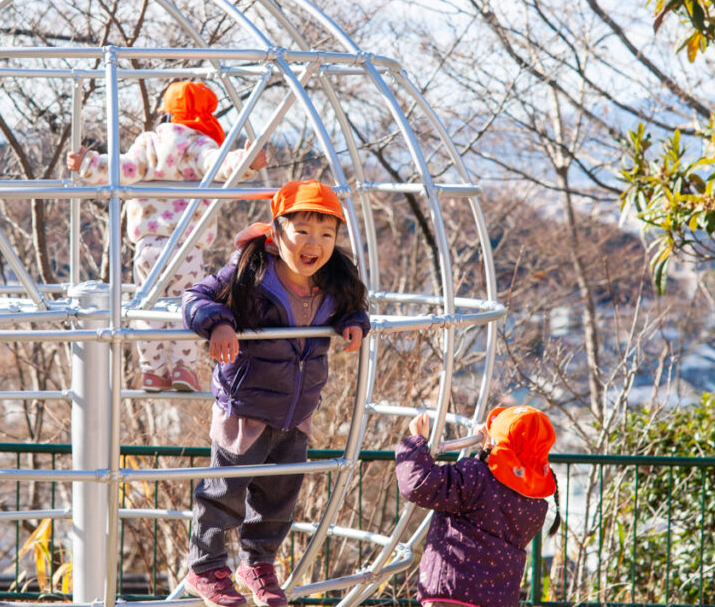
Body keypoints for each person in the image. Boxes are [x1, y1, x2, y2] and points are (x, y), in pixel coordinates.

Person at [181, 179, 369, 607]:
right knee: (223, 493)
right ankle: (205, 567)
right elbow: (196, 297)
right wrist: (219, 323)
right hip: (245, 407)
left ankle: (258, 563)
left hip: (296, 411)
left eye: (326, 234)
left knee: (279, 497)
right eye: (302, 230)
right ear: (277, 231)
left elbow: (355, 305)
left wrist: (354, 322)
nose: (314, 243)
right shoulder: (252, 274)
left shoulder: (334, 280)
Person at [67, 80, 266, 392]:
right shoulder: (198, 144)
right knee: (186, 307)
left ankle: (152, 371)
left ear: (167, 114)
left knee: (148, 310)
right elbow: (218, 166)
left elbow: (123, 168)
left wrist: (88, 164)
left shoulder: (149, 143)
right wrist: (246, 161)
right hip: (187, 247)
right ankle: (183, 369)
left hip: (147, 245)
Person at [394, 406, 561, 607]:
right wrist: (491, 453)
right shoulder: (536, 505)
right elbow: (499, 491)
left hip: (452, 593)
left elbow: (419, 484)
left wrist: (415, 443)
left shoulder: (475, 477)